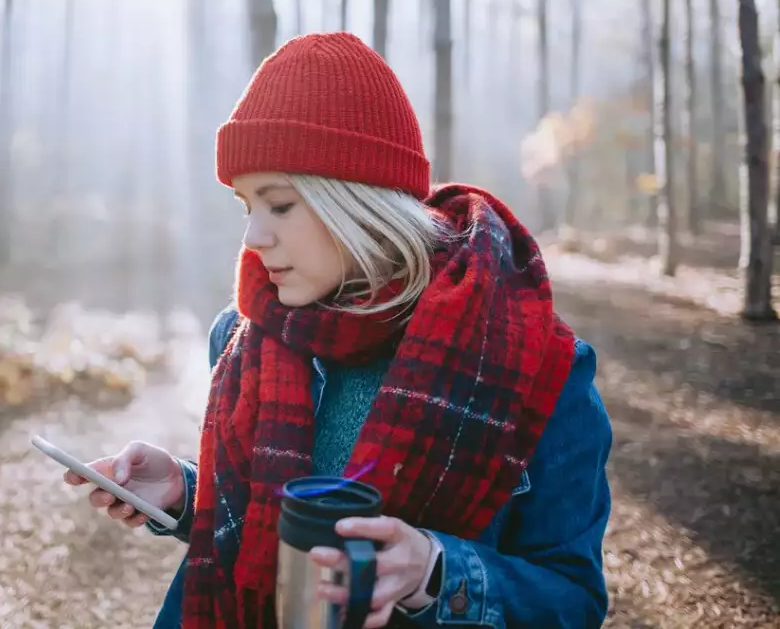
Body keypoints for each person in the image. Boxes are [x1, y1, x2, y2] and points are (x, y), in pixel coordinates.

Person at [63, 32, 612, 629]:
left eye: (281, 204)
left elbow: (572, 600)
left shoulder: (538, 371)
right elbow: (265, 529)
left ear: (360, 202)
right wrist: (186, 493)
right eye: (247, 206)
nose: (253, 239)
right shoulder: (247, 338)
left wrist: (433, 570)